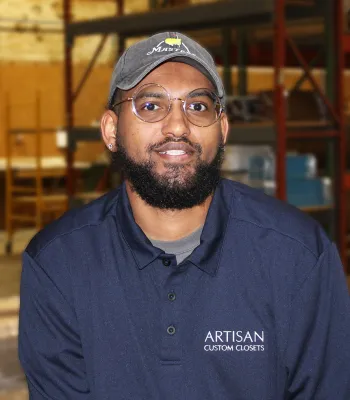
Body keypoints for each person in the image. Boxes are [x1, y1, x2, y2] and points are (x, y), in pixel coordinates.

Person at [18, 31, 350, 399]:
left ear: (222, 130)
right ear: (111, 131)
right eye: (151, 105)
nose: (177, 127)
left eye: (197, 106)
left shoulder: (299, 254)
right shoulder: (58, 262)